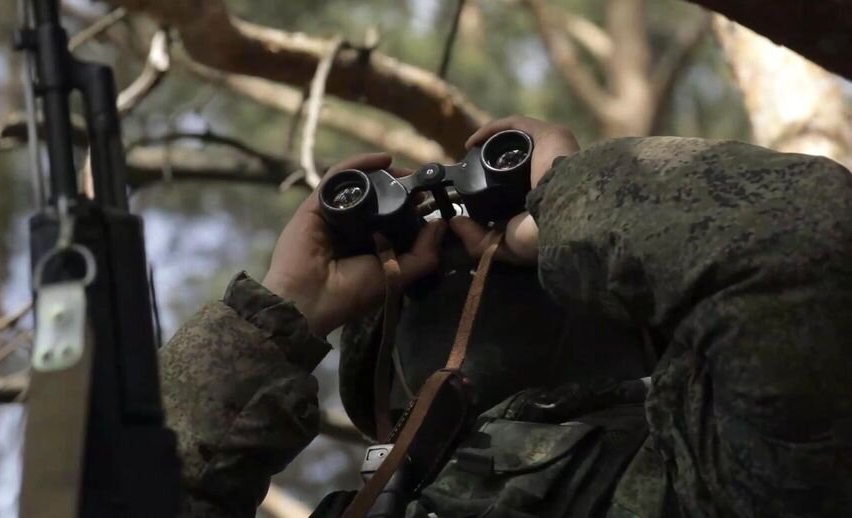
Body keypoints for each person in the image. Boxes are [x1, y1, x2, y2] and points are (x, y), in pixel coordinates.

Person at [159, 116, 852, 517]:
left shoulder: (711, 472)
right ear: (390, 395)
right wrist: (282, 314)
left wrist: (562, 198)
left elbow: (808, 242)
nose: (465, 257)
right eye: (428, 281)